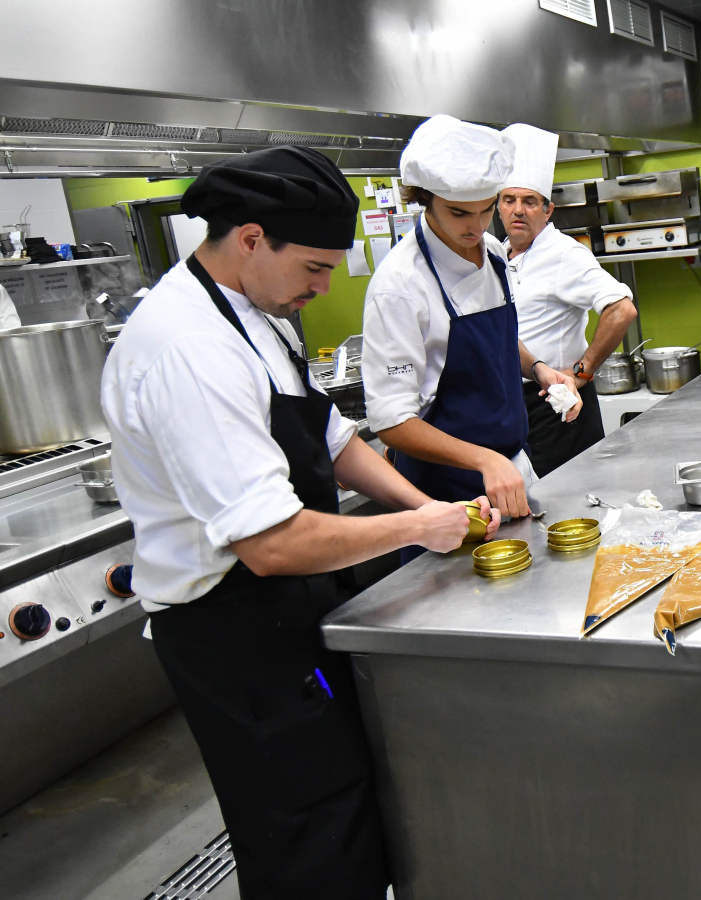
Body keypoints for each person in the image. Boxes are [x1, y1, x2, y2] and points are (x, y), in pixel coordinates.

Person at [100, 146, 500, 899]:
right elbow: (274, 544)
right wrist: (417, 532)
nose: (322, 289)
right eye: (315, 268)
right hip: (232, 630)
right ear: (251, 238)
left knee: (345, 800)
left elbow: (329, 435)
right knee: (303, 835)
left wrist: (424, 507)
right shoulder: (190, 348)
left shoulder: (258, 312)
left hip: (290, 609)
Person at [361, 115, 579, 524]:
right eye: (460, 213)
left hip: (509, 469)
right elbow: (391, 421)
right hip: (445, 494)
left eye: (485, 210)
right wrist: (484, 460)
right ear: (424, 197)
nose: (477, 227)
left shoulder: (493, 252)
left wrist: (539, 369)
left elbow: (496, 342)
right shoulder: (400, 285)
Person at [498, 122, 638, 476]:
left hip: (557, 408)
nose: (518, 210)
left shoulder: (563, 254)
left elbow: (621, 310)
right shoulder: (498, 255)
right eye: (509, 200)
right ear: (497, 206)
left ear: (548, 210)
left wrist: (581, 373)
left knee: (571, 507)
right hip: (513, 406)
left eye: (529, 202)